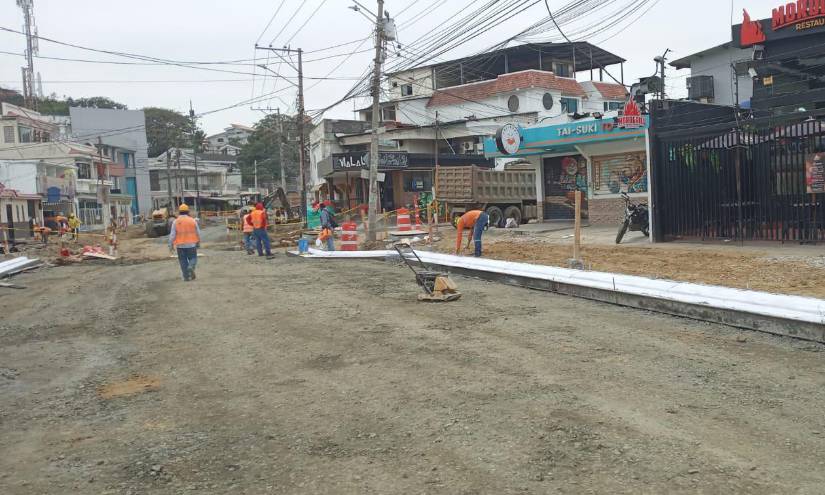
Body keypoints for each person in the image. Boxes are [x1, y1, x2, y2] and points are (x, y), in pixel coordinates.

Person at [169, 203, 201, 281]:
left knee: (182, 261)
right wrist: (198, 242)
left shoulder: (175, 222)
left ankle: (186, 277)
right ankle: (191, 266)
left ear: (179, 212)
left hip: (180, 246)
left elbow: (172, 235)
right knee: (193, 258)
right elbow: (198, 233)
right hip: (191, 245)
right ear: (188, 212)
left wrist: (170, 245)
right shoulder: (192, 221)